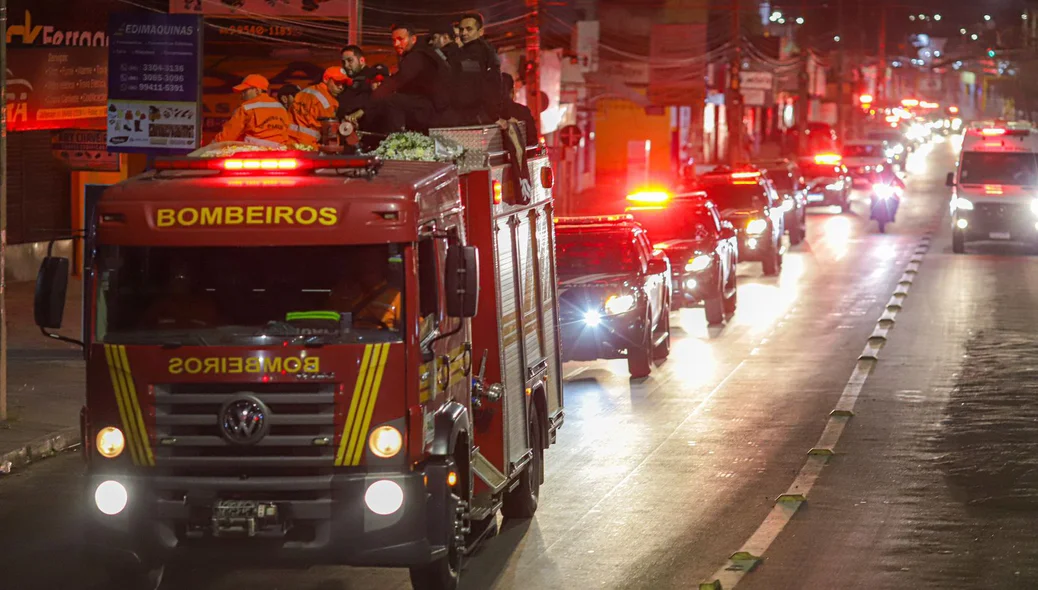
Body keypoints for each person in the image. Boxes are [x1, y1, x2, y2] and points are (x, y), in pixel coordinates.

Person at [367, 23, 450, 133]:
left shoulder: (416, 56)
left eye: (400, 39)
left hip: (432, 109)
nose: (396, 44)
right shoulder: (421, 53)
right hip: (429, 107)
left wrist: (370, 102)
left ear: (413, 39)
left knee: (392, 101)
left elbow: (398, 80)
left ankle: (397, 140)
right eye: (394, 40)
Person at [449, 12, 503, 125]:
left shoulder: (475, 53)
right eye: (461, 29)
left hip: (475, 115)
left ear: (480, 31)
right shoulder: (487, 50)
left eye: (469, 29)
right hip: (482, 113)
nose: (464, 33)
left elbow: (473, 83)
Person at [330, 247, 401, 330]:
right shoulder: (342, 292)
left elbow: (417, 327)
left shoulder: (396, 297)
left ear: (382, 266)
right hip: (347, 340)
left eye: (373, 261)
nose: (367, 265)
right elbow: (329, 322)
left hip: (380, 341)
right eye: (363, 261)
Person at [211, 74, 292, 147]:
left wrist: (212, 147)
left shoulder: (246, 107)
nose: (242, 96)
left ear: (257, 90)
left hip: (254, 154)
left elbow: (228, 135)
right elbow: (286, 134)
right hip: (279, 154)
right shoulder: (280, 108)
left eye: (245, 91)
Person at [142, 259, 219, 329]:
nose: (179, 281)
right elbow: (142, 332)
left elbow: (217, 335)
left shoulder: (205, 306)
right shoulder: (159, 305)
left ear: (191, 280)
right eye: (175, 276)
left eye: (183, 276)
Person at [291, 66, 350, 146]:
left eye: (343, 84)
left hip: (290, 141)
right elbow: (330, 132)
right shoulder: (328, 102)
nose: (341, 87)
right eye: (337, 82)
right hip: (309, 144)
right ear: (326, 79)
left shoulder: (304, 92)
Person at [499, 73, 538, 146]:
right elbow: (533, 142)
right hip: (519, 156)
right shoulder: (523, 112)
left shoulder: (485, 115)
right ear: (512, 92)